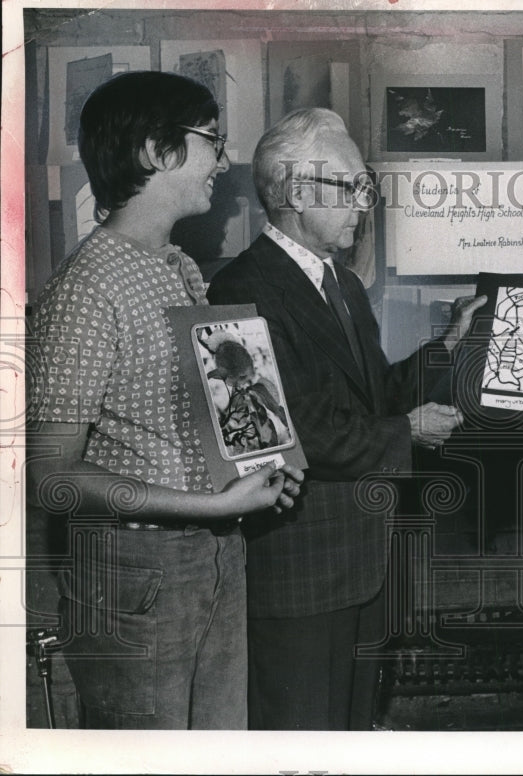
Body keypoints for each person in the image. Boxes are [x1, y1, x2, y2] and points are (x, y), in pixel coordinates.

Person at [27, 71, 303, 730]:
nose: (224, 161)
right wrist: (211, 504)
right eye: (212, 140)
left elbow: (190, 423)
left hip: (213, 557)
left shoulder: (177, 268)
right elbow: (49, 476)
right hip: (135, 575)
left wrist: (257, 467)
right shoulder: (88, 288)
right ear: (155, 149)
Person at [207, 107, 486, 731]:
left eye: (368, 189)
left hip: (365, 562)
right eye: (354, 187)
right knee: (301, 739)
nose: (366, 203)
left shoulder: (343, 284)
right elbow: (282, 433)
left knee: (354, 735)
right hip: (300, 572)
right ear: (298, 193)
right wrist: (407, 433)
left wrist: (446, 345)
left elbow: (371, 397)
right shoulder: (240, 289)